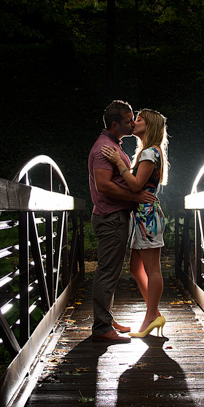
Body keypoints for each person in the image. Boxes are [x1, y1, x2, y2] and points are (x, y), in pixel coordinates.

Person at [88, 100, 156, 343]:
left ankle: (105, 318)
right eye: (128, 121)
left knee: (112, 271)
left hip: (115, 216)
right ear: (115, 124)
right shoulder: (103, 149)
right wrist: (134, 196)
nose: (132, 123)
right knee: (107, 272)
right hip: (110, 217)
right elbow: (103, 185)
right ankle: (101, 328)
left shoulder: (113, 144)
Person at [101, 108, 169, 338]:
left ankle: (151, 315)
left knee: (152, 269)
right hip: (141, 217)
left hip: (147, 217)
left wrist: (118, 163)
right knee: (135, 267)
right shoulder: (148, 152)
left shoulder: (150, 153)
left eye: (138, 120)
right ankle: (155, 312)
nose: (134, 123)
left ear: (148, 126)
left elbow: (136, 185)